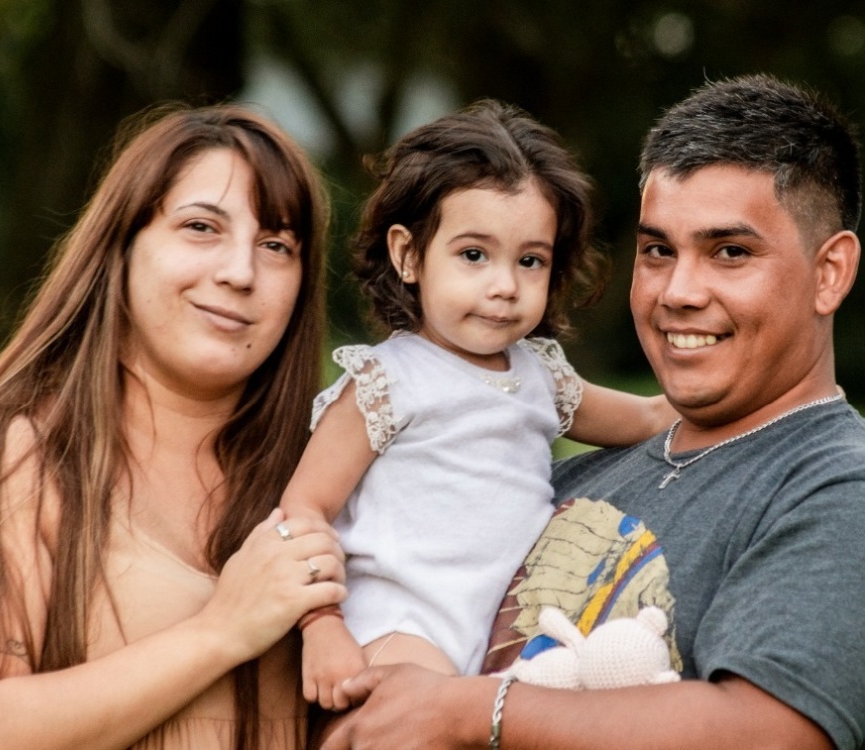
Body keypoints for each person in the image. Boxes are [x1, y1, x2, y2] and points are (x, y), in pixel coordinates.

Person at [319, 74, 865, 750]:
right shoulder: (572, 466)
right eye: (659, 251)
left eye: (730, 252)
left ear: (830, 272)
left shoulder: (835, 484)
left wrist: (465, 711)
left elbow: (772, 736)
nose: (679, 292)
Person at [0, 104, 348, 750]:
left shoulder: (329, 477)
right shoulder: (14, 450)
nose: (239, 272)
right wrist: (220, 631)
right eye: (201, 227)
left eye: (276, 245)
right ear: (121, 249)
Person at [280, 99, 677, 711]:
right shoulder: (387, 381)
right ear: (408, 255)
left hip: (496, 642)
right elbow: (304, 509)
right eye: (473, 255)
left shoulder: (541, 376)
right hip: (397, 632)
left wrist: (756, 402)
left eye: (530, 261)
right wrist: (322, 627)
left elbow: (649, 418)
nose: (504, 285)